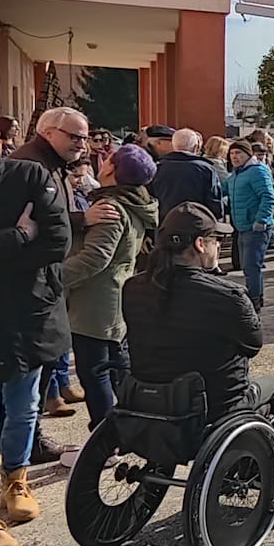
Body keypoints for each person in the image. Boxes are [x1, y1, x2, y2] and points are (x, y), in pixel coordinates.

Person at [123, 203, 274, 464]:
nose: (220, 246)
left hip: (149, 399)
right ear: (201, 244)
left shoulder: (133, 287)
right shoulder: (228, 296)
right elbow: (252, 344)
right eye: (217, 239)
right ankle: (266, 463)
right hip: (215, 406)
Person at [11, 106, 120, 466]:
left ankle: (29, 443)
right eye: (74, 136)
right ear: (48, 132)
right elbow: (39, 227)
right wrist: (82, 218)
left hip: (42, 282)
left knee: (33, 378)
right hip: (29, 285)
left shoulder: (50, 164)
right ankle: (21, 456)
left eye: (85, 137)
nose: (82, 145)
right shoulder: (29, 166)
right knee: (23, 381)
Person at [0, 154, 70, 546]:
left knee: (23, 405)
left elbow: (59, 240)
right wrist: (19, 237)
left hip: (27, 314)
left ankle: (16, 476)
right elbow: (39, 238)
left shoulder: (29, 174)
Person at [62, 143, 158, 437]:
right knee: (118, 365)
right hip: (115, 295)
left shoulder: (110, 208)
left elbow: (95, 258)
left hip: (95, 302)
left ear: (113, 170)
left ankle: (105, 440)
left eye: (109, 161)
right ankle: (135, 426)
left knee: (95, 372)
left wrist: (52, 276)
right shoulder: (135, 202)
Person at [223, 139, 274, 312]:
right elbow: (224, 189)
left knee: (251, 266)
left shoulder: (257, 172)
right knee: (249, 266)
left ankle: (255, 302)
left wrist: (261, 220)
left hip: (256, 228)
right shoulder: (237, 174)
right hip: (242, 226)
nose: (234, 157)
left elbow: (268, 197)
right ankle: (256, 297)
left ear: (248, 154)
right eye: (232, 154)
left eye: (238, 153)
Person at [151, 128, 222, 219]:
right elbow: (214, 200)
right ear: (196, 147)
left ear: (173, 146)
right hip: (198, 222)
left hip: (164, 222)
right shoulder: (206, 169)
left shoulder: (157, 168)